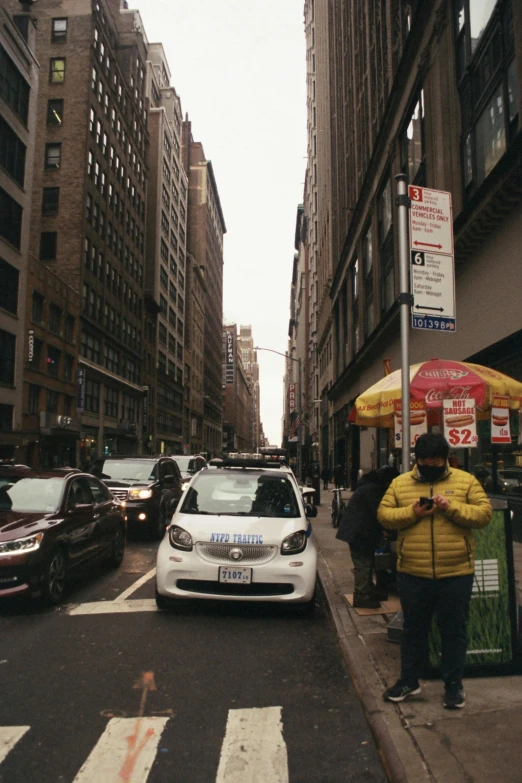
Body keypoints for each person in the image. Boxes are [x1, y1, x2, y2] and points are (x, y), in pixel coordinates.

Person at [377, 432, 492, 710]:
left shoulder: (465, 481)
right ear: (417, 458)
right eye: (425, 459)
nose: (430, 463)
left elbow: (483, 514)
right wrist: (413, 513)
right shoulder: (400, 483)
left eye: (436, 459)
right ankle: (409, 681)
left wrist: (451, 508)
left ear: (446, 459)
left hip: (456, 573)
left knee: (454, 631)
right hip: (413, 572)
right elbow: (384, 515)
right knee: (414, 630)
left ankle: (453, 686)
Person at [336, 466, 399, 608]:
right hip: (360, 533)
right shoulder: (373, 489)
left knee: (368, 562)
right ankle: (361, 596)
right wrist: (390, 530)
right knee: (363, 564)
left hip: (359, 531)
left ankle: (368, 590)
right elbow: (379, 514)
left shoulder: (368, 485)